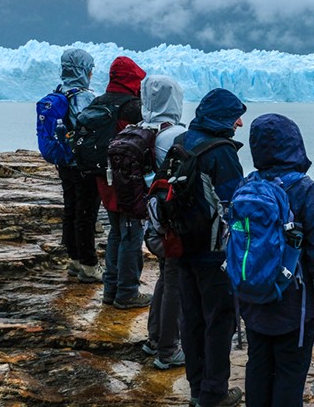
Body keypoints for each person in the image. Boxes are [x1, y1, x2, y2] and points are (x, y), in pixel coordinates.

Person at [240, 113, 314, 407]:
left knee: (258, 368)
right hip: (292, 305)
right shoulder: (304, 190)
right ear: (294, 143)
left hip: (252, 299)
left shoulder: (248, 185)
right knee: (289, 376)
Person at [177, 88, 246, 407]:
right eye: (236, 116)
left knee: (191, 319)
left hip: (181, 246)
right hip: (214, 254)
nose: (240, 123)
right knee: (219, 322)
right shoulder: (221, 152)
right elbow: (234, 208)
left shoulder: (182, 141)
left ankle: (196, 389)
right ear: (222, 117)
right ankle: (214, 394)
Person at [138, 75, 187, 369]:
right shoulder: (174, 135)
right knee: (174, 284)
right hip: (169, 222)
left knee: (164, 279)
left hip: (149, 219)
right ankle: (167, 349)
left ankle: (155, 338)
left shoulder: (141, 130)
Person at [96, 56, 150, 308]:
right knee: (131, 234)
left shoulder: (99, 102)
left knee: (117, 232)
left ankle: (110, 289)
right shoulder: (132, 106)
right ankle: (127, 292)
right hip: (125, 181)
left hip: (103, 180)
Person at [55, 49, 103, 282]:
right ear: (83, 70)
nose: (92, 72)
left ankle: (74, 260)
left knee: (71, 209)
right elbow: (91, 125)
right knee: (87, 213)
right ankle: (89, 265)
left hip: (64, 161)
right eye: (89, 68)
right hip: (83, 164)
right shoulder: (83, 96)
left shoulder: (60, 91)